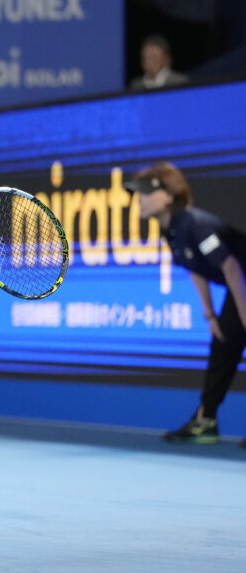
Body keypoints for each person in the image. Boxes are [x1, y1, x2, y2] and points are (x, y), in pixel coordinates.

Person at [124, 162, 246, 448]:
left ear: (168, 196)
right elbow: (198, 268)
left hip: (240, 280)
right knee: (224, 341)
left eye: (145, 193)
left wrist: (243, 314)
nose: (138, 200)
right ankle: (206, 422)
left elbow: (229, 266)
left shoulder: (194, 223)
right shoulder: (172, 229)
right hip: (240, 283)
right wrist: (210, 314)